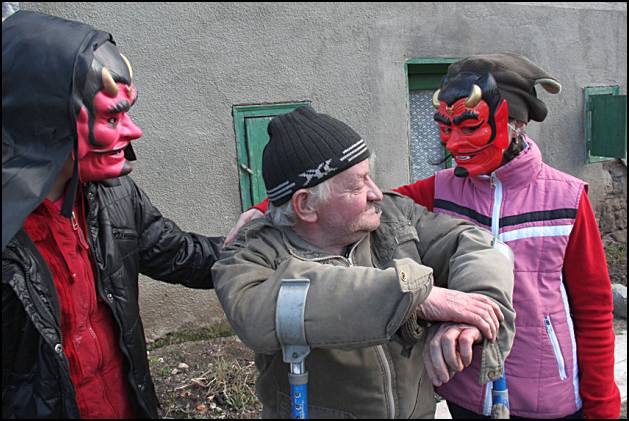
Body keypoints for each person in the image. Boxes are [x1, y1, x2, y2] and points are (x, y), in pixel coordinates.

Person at [230, 53, 620, 419]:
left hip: (544, 391)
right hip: (464, 385)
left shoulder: (566, 197)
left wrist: (602, 403)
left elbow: (593, 307)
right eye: (445, 128)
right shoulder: (440, 189)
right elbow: (344, 199)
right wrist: (271, 205)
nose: (454, 143)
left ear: (516, 124)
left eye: (469, 126)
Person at [213, 106, 516, 418]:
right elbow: (258, 312)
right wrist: (416, 297)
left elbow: (480, 245)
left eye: (370, 176)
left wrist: (471, 314)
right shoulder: (253, 253)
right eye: (358, 184)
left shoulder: (394, 218)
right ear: (305, 205)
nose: (375, 193)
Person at [2, 11, 223, 418]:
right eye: (111, 117)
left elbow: (178, 254)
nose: (134, 131)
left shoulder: (114, 194)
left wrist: (258, 245)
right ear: (45, 121)